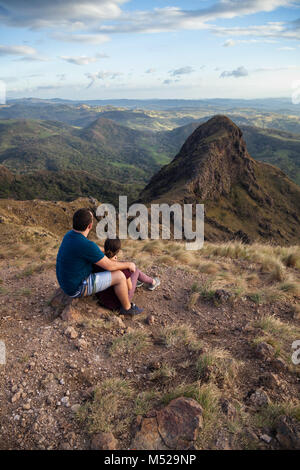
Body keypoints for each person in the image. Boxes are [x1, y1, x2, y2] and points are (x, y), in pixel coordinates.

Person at [56, 208, 143, 316]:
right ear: (90, 226)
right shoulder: (86, 245)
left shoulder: (69, 235)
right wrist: (129, 264)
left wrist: (105, 251)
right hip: (76, 288)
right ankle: (127, 308)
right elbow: (110, 266)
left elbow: (92, 247)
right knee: (120, 276)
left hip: (66, 283)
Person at [95, 238, 160, 311]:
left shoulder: (97, 262)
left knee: (126, 265)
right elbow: (129, 287)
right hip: (119, 301)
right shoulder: (122, 270)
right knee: (135, 270)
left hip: (102, 299)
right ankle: (153, 282)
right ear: (118, 251)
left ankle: (139, 281)